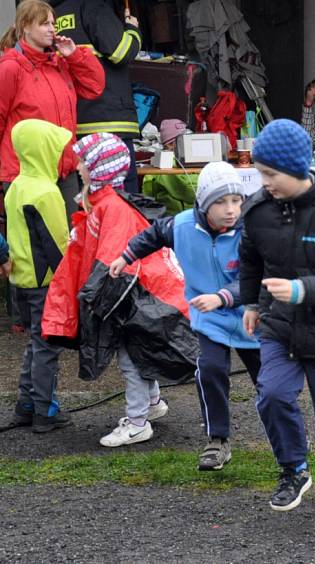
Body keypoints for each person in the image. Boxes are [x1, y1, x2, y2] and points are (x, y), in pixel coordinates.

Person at [241, 119, 315, 513]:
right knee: (273, 395)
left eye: (270, 174)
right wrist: (250, 303)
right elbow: (250, 258)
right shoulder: (259, 210)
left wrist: (301, 290)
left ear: (296, 168)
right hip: (280, 328)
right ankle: (293, 469)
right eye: (261, 174)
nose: (265, 183)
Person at [109, 161, 259, 467]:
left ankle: (286, 432)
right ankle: (217, 440)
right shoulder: (181, 226)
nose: (231, 209)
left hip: (250, 315)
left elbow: (255, 278)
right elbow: (153, 235)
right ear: (203, 202)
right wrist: (126, 256)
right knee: (210, 371)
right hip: (209, 318)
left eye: (236, 200)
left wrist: (223, 297)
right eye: (220, 202)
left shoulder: (252, 231)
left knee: (271, 382)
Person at [42, 133, 171, 446]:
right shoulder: (104, 203)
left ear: (99, 169)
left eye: (85, 162)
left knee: (129, 357)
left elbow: (112, 258)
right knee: (137, 352)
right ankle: (151, 404)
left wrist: (94, 296)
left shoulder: (111, 207)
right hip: (133, 295)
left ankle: (138, 421)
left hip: (128, 297)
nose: (79, 166)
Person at [0, 0, 104, 216]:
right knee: (32, 246)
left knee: (67, 242)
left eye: (53, 23)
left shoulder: (60, 63)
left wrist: (75, 55)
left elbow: (95, 87)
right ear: (25, 26)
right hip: (26, 174)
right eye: (44, 24)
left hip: (63, 170)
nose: (52, 29)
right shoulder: (11, 67)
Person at [4, 119, 72, 433]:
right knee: (46, 348)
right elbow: (57, 244)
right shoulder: (46, 192)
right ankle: (45, 410)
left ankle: (25, 405)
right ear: (43, 151)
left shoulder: (16, 186)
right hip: (45, 283)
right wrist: (69, 281)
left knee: (34, 343)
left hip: (21, 279)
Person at [49, 0, 142, 193]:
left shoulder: (52, 14)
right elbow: (122, 52)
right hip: (110, 123)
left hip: (74, 127)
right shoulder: (93, 7)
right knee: (123, 200)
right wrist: (132, 29)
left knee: (85, 199)